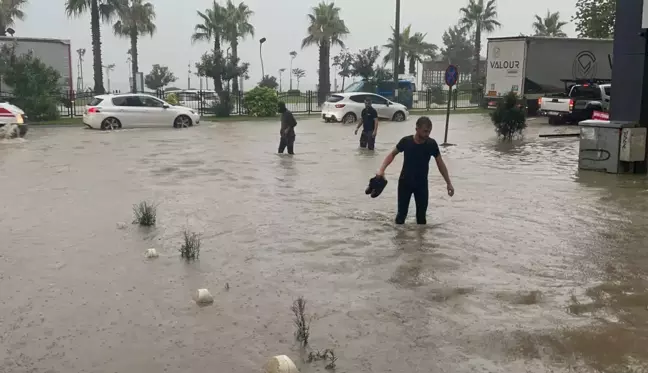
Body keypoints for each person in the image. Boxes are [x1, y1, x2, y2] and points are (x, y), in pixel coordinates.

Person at [376, 116, 454, 225]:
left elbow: (440, 164)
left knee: (421, 218)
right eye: (425, 131)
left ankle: (421, 241)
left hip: (421, 185)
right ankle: (400, 241)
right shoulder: (406, 141)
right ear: (417, 129)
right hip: (405, 183)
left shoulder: (431, 144)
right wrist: (381, 170)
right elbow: (392, 154)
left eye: (429, 132)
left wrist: (448, 183)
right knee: (401, 216)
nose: (427, 134)